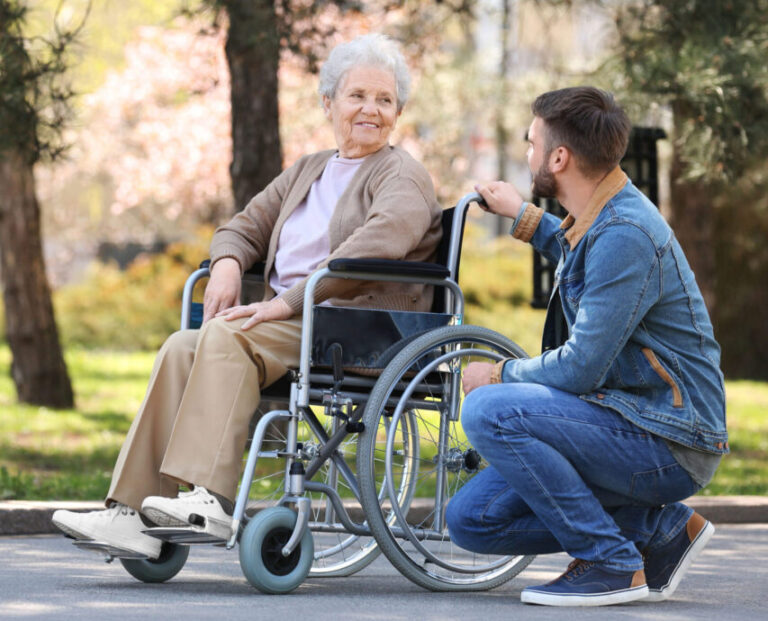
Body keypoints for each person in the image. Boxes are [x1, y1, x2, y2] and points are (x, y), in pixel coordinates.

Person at [53, 33, 442, 559]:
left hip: (354, 326)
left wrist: (285, 302)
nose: (370, 110)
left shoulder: (403, 176)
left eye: (385, 100)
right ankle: (130, 512)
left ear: (398, 112)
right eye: (357, 97)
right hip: (294, 320)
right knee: (180, 346)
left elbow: (374, 248)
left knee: (228, 337)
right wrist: (228, 266)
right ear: (328, 103)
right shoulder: (310, 169)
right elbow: (245, 224)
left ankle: (208, 499)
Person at [446, 86, 727, 607]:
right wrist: (522, 216)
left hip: (668, 438)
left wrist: (501, 374)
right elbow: (580, 254)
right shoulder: (606, 218)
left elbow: (578, 369)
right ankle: (656, 529)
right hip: (625, 420)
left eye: (532, 144)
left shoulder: (626, 232)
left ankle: (611, 563)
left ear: (559, 157)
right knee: (471, 521)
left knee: (490, 410)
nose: (528, 155)